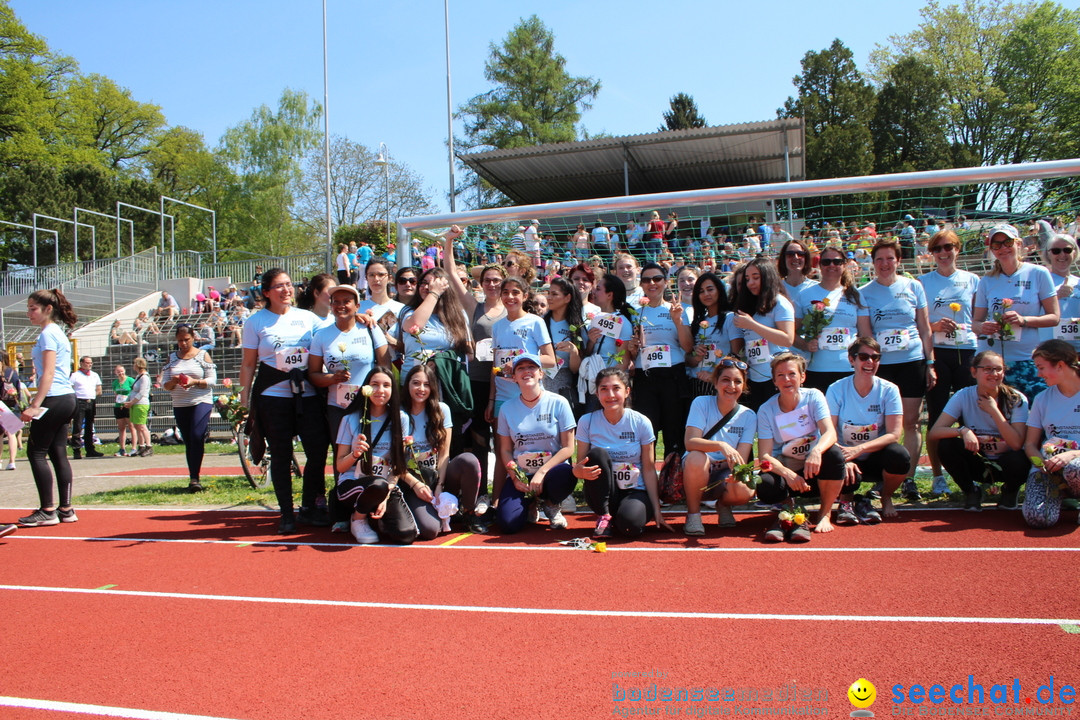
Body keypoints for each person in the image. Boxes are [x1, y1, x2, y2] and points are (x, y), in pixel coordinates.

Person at [239, 268, 331, 535]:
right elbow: (248, 365)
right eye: (279, 286)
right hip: (272, 397)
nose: (286, 290)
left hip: (308, 395)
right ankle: (286, 514)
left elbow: (334, 333)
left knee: (317, 452)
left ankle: (308, 507)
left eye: (289, 284)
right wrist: (244, 401)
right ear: (266, 292)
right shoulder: (256, 322)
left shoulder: (308, 318)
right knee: (280, 455)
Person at [860, 239, 935, 500]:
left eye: (889, 258)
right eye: (879, 259)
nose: (884, 264)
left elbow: (925, 328)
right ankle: (885, 478)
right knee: (884, 425)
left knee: (911, 422)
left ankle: (910, 478)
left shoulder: (913, 286)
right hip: (882, 366)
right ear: (873, 263)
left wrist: (930, 362)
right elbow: (867, 334)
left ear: (898, 260)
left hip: (912, 362)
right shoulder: (864, 291)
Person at [309, 283, 389, 530]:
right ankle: (343, 513)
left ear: (357, 305)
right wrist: (332, 378)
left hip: (369, 404)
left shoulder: (370, 329)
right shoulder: (322, 335)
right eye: (336, 302)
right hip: (338, 407)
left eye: (347, 301)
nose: (341, 306)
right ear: (331, 306)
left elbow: (384, 365)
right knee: (343, 458)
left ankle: (372, 504)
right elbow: (313, 374)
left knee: (372, 452)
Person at [443, 227, 506, 506]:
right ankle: (480, 494)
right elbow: (451, 274)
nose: (491, 284)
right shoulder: (474, 306)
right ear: (481, 283)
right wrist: (448, 242)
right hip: (478, 382)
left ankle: (506, 494)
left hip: (508, 383)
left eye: (496, 280)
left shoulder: (514, 307)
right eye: (487, 280)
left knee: (507, 440)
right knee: (479, 438)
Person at [755, 353, 846, 540]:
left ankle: (825, 513)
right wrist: (788, 474)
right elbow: (764, 455)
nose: (786, 379)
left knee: (835, 455)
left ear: (802, 377)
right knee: (765, 484)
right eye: (780, 375)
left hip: (814, 467)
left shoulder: (814, 396)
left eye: (792, 374)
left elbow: (830, 432)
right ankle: (788, 510)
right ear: (774, 381)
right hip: (787, 469)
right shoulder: (766, 409)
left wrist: (816, 451)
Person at [573, 368, 671, 538]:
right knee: (597, 454)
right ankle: (604, 515)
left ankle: (620, 516)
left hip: (635, 490)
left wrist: (657, 509)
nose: (610, 394)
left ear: (627, 392)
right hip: (601, 493)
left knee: (629, 526)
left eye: (616, 388)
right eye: (604, 389)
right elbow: (580, 465)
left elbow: (648, 468)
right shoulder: (586, 421)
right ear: (597, 393)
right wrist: (577, 471)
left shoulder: (641, 422)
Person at [919, 230, 981, 496]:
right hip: (938, 354)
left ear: (957, 249)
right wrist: (933, 326)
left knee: (972, 416)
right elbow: (918, 325)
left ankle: (973, 475)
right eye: (937, 249)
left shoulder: (973, 280)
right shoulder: (922, 282)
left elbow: (978, 318)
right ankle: (937, 476)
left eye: (948, 247)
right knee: (936, 416)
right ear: (931, 253)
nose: (943, 253)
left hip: (967, 352)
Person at [928, 350, 1029, 512]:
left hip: (1007, 462)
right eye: (987, 369)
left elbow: (1017, 444)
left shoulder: (1016, 399)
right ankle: (971, 491)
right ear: (974, 372)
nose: (994, 374)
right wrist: (962, 430)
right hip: (978, 460)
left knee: (1022, 456)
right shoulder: (963, 396)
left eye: (998, 369)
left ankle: (1010, 490)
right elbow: (935, 432)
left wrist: (994, 411)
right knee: (946, 444)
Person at [826, 338, 909, 522]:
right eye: (863, 357)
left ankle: (885, 496)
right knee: (833, 456)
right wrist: (845, 457)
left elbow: (894, 434)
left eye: (875, 357)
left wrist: (860, 449)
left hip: (874, 455)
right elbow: (828, 432)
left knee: (900, 456)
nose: (870, 362)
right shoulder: (836, 389)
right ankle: (846, 501)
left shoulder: (889, 390)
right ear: (851, 360)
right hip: (845, 454)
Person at [973, 224, 1059, 402]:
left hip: (1027, 360)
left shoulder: (1038, 273)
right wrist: (983, 326)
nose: (1003, 248)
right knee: (998, 418)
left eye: (1007, 242)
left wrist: (1024, 320)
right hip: (995, 365)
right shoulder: (986, 281)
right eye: (996, 245)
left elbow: (1054, 317)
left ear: (1018, 243)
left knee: (1034, 417)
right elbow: (975, 323)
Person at [494, 354, 576, 533]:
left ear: (541, 373)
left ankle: (551, 504)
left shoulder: (559, 403)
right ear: (514, 377)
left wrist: (542, 472)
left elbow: (569, 448)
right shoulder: (506, 409)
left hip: (552, 473)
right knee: (508, 524)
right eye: (521, 368)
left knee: (568, 472)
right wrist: (515, 477)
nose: (526, 371)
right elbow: (506, 451)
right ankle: (530, 503)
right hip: (522, 474)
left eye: (531, 367)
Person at [17, 289, 78, 527]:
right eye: (28, 308)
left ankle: (47, 510)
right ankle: (66, 509)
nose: (29, 313)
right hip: (66, 398)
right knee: (58, 453)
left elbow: (49, 373)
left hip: (54, 398)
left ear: (48, 309)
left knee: (36, 452)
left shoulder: (47, 334)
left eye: (33, 308)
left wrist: (34, 405)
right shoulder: (57, 333)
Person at [333, 366, 415, 544]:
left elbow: (397, 465)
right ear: (366, 388)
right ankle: (358, 519)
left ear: (393, 390)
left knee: (406, 534)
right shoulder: (350, 419)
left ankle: (375, 518)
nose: (380, 390)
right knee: (377, 484)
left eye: (387, 385)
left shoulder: (401, 419)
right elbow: (340, 466)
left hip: (384, 485)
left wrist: (384, 497)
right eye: (375, 385)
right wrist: (354, 454)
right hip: (353, 483)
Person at [404, 365, 485, 534]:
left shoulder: (442, 410)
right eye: (416, 383)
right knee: (430, 530)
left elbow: (444, 452)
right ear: (408, 385)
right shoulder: (400, 413)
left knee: (468, 460)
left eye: (426, 384)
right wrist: (416, 485)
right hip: (413, 481)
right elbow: (396, 460)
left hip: (438, 476)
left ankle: (468, 513)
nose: (421, 389)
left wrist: (440, 485)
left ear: (433, 387)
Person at [681, 357, 758, 535]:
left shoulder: (748, 415)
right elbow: (690, 442)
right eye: (725, 380)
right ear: (715, 383)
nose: (731, 386)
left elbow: (741, 458)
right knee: (696, 458)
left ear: (743, 387)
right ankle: (693, 514)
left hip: (725, 471)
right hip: (699, 469)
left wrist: (735, 476)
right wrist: (721, 445)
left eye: (737, 381)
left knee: (744, 489)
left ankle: (723, 505)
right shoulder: (701, 403)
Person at [630, 263, 693, 457]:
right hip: (645, 377)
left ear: (666, 282)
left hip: (673, 376)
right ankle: (646, 482)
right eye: (647, 279)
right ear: (641, 284)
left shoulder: (677, 310)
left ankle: (672, 481)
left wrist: (677, 321)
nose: (652, 283)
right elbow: (632, 352)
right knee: (647, 433)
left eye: (657, 279)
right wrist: (632, 347)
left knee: (674, 432)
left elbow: (688, 346)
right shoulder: (635, 312)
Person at [794, 246, 872, 392]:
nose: (831, 265)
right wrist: (805, 344)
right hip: (817, 369)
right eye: (826, 262)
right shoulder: (805, 295)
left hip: (849, 369)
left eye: (837, 262)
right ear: (819, 265)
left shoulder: (855, 294)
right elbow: (790, 333)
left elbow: (866, 334)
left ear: (844, 265)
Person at [1022, 340, 1080, 528]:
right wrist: (1041, 464)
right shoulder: (1042, 399)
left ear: (1060, 365)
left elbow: (1073, 461)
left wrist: (1071, 454)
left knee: (1075, 467)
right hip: (1050, 470)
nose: (1038, 374)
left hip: (1076, 466)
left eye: (1041, 367)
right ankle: (1061, 496)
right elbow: (1030, 444)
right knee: (1038, 518)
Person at [730, 257, 796, 411]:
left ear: (767, 277)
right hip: (754, 377)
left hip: (776, 377)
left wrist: (752, 325)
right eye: (747, 279)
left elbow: (787, 339)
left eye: (756, 278)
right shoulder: (749, 305)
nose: (750, 283)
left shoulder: (780, 303)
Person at [488, 276, 555, 420]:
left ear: (524, 296)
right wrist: (491, 400)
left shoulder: (535, 322)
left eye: (515, 292)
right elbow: (495, 366)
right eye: (505, 292)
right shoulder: (497, 326)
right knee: (502, 442)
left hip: (530, 394)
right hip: (502, 396)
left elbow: (550, 359)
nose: (510, 297)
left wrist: (518, 361)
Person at [161, 324, 217, 493]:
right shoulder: (172, 358)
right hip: (180, 403)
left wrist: (194, 382)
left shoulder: (202, 355)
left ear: (193, 338)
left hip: (201, 400)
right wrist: (174, 381)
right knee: (188, 440)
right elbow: (165, 384)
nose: (183, 343)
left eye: (187, 340)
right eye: (180, 341)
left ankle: (195, 477)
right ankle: (194, 477)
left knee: (196, 435)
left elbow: (212, 380)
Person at [543, 276, 585, 414]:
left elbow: (575, 369)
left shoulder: (577, 327)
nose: (549, 298)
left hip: (564, 385)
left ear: (567, 298)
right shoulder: (540, 322)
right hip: (540, 381)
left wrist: (574, 352)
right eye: (549, 293)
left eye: (554, 294)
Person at [1040, 233, 1080, 353]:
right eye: (1056, 251)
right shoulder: (1040, 281)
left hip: (1077, 351)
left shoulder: (1078, 282)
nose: (1062, 254)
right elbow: (1030, 312)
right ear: (1048, 254)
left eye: (1067, 250)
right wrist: (1056, 297)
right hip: (1050, 351)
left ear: (1074, 252)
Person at [68, 356, 103, 459]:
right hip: (80, 401)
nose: (89, 365)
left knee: (89, 426)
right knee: (78, 426)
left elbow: (99, 389)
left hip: (91, 401)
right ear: (82, 363)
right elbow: (70, 388)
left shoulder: (94, 375)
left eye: (91, 363)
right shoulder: (75, 375)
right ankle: (76, 449)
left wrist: (92, 395)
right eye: (87, 363)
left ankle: (90, 449)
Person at [1, 356, 26, 471]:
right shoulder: (12, 372)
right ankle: (12, 461)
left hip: (1, 405)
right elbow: (18, 388)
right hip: (12, 404)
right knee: (12, 433)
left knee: (0, 435)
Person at [125, 357, 152, 456]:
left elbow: (142, 392)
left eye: (134, 364)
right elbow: (133, 391)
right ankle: (141, 446)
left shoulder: (144, 377)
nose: (133, 366)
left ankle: (148, 446)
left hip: (141, 403)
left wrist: (132, 402)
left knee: (141, 425)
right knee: (136, 425)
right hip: (134, 404)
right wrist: (127, 401)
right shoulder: (138, 376)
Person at [111, 365, 135, 457]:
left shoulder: (130, 380)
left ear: (124, 371)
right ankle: (122, 448)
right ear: (115, 373)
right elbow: (116, 393)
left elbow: (134, 391)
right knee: (121, 428)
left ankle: (133, 447)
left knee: (131, 427)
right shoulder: (115, 383)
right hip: (118, 406)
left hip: (128, 405)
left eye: (122, 371)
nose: (120, 373)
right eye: (118, 372)